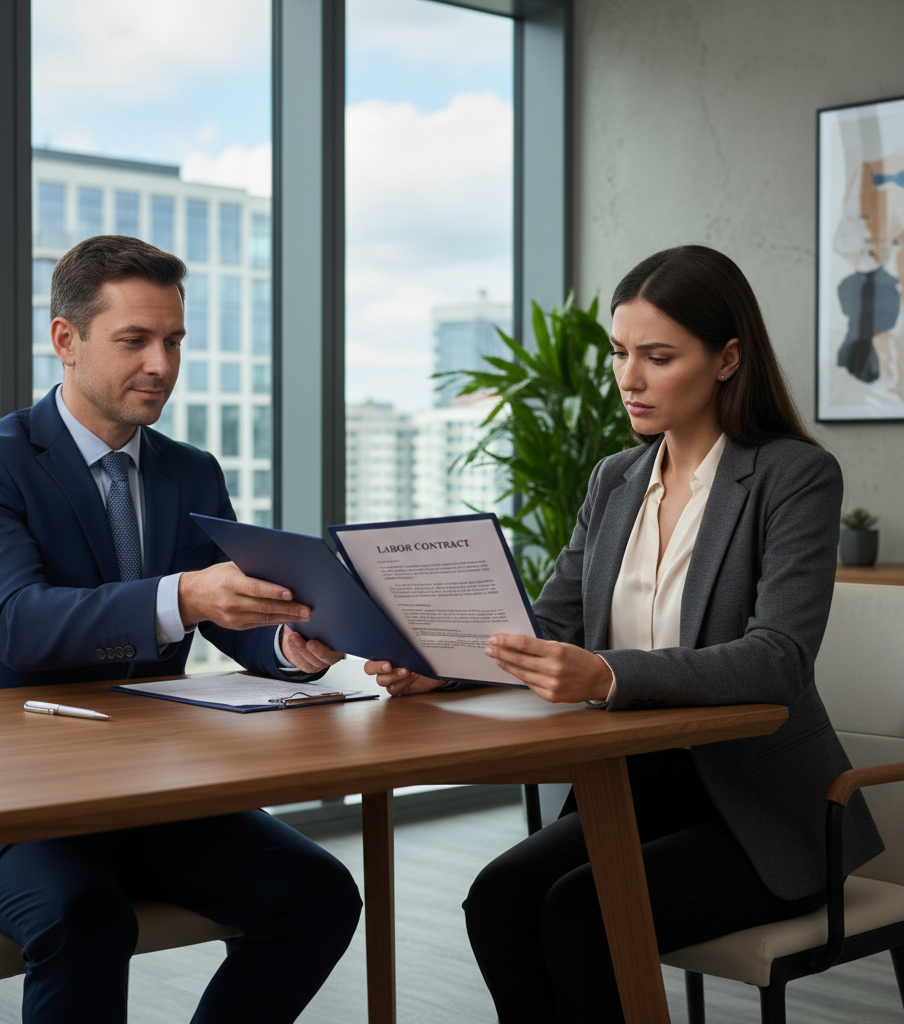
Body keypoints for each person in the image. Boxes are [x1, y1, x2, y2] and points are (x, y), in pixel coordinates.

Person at [365, 245, 884, 1022]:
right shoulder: (616, 478)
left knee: (583, 915)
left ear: (727, 359)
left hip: (758, 810)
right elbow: (553, 624)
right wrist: (446, 666)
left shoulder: (791, 477)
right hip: (629, 790)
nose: (627, 378)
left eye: (658, 355)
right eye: (619, 352)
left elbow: (777, 660)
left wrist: (607, 677)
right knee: (498, 903)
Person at [0, 235, 360, 1024]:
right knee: (87, 919)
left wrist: (286, 642)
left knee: (317, 895)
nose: (161, 365)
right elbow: (17, 624)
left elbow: (229, 616)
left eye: (173, 341)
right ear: (66, 340)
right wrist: (184, 594)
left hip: (146, 788)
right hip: (0, 801)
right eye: (135, 340)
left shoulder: (191, 470)